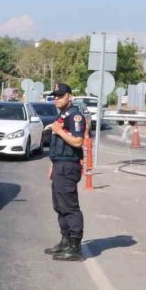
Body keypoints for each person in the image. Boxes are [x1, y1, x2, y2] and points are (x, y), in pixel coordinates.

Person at [45, 83, 87, 262]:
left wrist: (59, 130)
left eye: (60, 96)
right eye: (55, 96)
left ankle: (75, 247)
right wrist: (53, 164)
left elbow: (78, 142)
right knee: (59, 205)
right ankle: (65, 240)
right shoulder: (63, 114)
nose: (56, 99)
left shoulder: (75, 116)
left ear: (70, 96)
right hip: (60, 164)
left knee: (69, 206)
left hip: (69, 166)